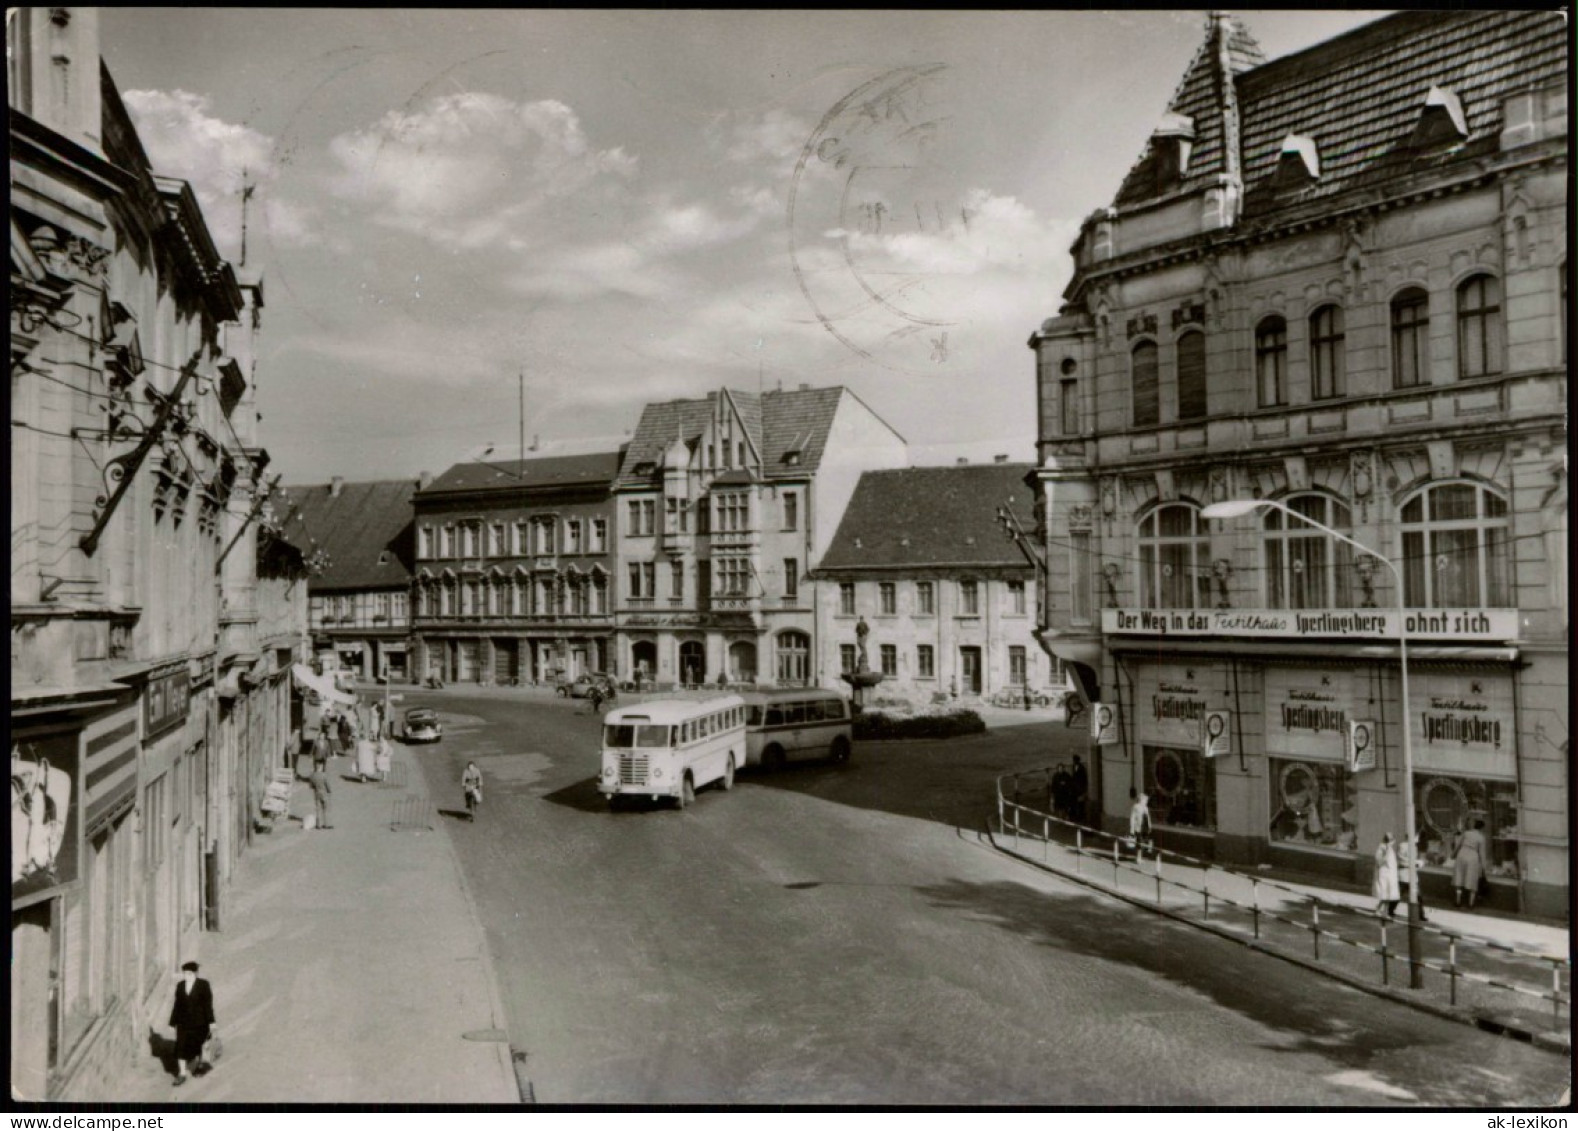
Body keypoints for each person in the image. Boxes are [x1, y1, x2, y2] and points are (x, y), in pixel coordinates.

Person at [168, 961, 216, 1086]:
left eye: (189, 974)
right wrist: (172, 1022)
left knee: (199, 1044)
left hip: (200, 1022)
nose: (186, 976)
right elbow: (177, 1005)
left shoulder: (203, 985)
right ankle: (182, 1074)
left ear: (195, 973)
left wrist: (211, 1022)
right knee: (181, 1047)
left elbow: (208, 1005)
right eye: (185, 974)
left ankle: (201, 1065)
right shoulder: (180, 986)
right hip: (183, 1022)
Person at [1453, 818, 1488, 909]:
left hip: (1462, 854)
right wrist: (1484, 868)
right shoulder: (1481, 838)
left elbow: (1458, 845)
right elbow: (1482, 854)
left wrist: (1453, 855)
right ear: (1482, 828)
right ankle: (1470, 903)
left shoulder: (1466, 833)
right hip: (1473, 856)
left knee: (1459, 878)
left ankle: (1458, 901)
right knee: (1472, 880)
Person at [1373, 832, 1401, 917]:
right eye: (1390, 840)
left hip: (1390, 875)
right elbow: (1379, 861)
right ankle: (1379, 910)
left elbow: (1392, 862)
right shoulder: (1382, 848)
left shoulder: (1390, 849)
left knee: (1389, 895)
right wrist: (1387, 851)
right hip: (1384, 874)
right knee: (1385, 894)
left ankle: (1383, 911)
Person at [1127, 788, 1152, 858]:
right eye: (1145, 800)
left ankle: (1141, 856)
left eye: (1147, 800)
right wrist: (1132, 829)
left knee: (1143, 842)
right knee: (1139, 842)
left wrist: (1150, 826)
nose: (1146, 802)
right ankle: (1138, 857)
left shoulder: (1146, 808)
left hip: (1145, 827)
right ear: (1141, 800)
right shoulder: (1136, 807)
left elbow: (1148, 817)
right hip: (1138, 827)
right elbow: (1132, 818)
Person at [310, 760, 333, 830]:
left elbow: (311, 786)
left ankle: (318, 824)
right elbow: (327, 785)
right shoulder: (323, 775)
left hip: (316, 793)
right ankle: (326, 824)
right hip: (323, 793)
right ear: (321, 767)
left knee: (318, 809)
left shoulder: (312, 776)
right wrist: (329, 791)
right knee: (325, 809)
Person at [1070, 754, 1089, 825]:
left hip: (1080, 789)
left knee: (1081, 803)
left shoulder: (1082, 768)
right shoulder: (1074, 767)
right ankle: (1075, 816)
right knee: (1074, 802)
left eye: (1075, 760)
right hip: (1074, 789)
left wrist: (1084, 790)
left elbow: (1084, 779)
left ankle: (1081, 816)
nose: (1074, 762)